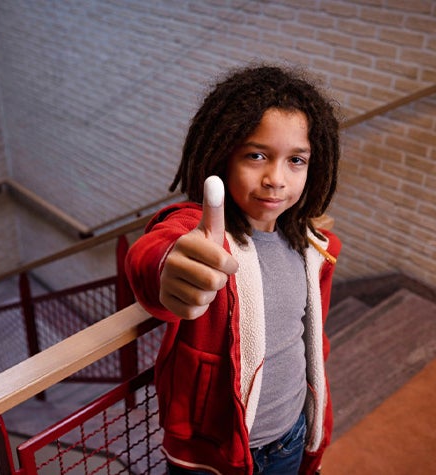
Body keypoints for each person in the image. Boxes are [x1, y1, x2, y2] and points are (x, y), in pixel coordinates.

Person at [125, 65, 341, 475]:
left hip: (292, 434)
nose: (276, 179)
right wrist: (167, 269)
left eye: (296, 160)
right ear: (223, 154)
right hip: (217, 453)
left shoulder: (314, 246)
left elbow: (311, 340)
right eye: (256, 155)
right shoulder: (204, 234)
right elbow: (155, 252)